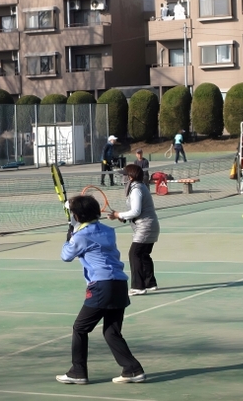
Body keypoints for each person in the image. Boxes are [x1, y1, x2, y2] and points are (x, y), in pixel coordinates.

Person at [56, 194, 146, 385]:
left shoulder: (81, 237)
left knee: (80, 328)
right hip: (119, 284)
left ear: (77, 215)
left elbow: (66, 256)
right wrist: (74, 231)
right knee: (111, 332)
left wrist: (69, 235)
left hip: (101, 286)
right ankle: (132, 369)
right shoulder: (108, 231)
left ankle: (78, 372)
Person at [108, 164, 160, 296]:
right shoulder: (140, 187)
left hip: (145, 227)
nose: (123, 178)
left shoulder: (136, 189)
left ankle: (138, 287)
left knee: (134, 254)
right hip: (150, 226)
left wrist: (119, 214)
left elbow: (136, 211)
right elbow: (136, 213)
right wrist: (121, 217)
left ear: (130, 177)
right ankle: (150, 283)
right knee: (143, 255)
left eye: (124, 175)